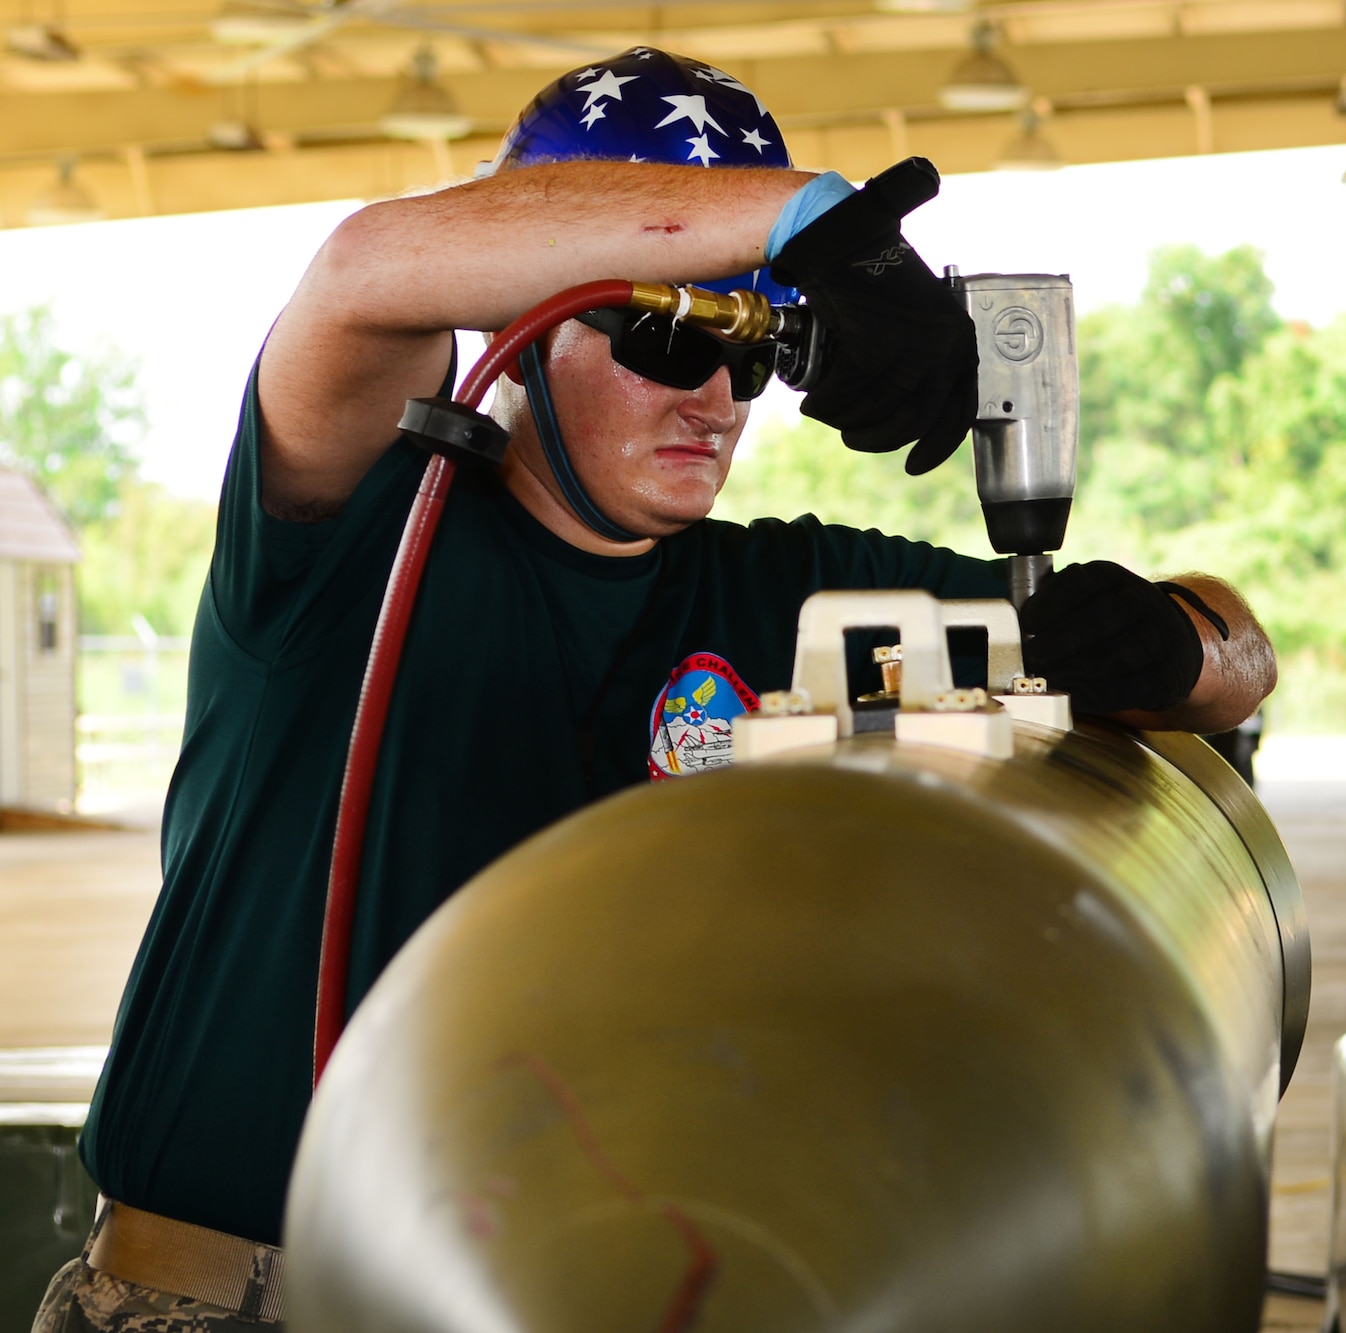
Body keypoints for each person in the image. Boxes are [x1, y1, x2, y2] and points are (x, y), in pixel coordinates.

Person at [34, 47, 1276, 1332]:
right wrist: (808, 220)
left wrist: (1176, 647)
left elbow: (1234, 639)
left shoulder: (783, 600)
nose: (716, 397)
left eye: (752, 354)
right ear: (524, 328)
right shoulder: (349, 533)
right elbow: (366, 270)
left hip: (554, 1290)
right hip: (218, 1298)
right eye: (666, 335)